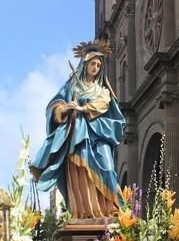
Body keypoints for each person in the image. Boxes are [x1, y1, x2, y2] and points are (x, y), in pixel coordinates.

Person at [30, 39, 126, 219]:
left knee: (107, 166)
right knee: (79, 170)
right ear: (85, 64)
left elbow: (103, 104)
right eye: (92, 63)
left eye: (98, 65)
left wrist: (83, 109)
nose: (95, 67)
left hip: (98, 134)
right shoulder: (72, 85)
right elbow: (54, 105)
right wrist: (65, 108)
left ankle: (111, 209)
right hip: (77, 133)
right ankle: (83, 212)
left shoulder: (103, 90)